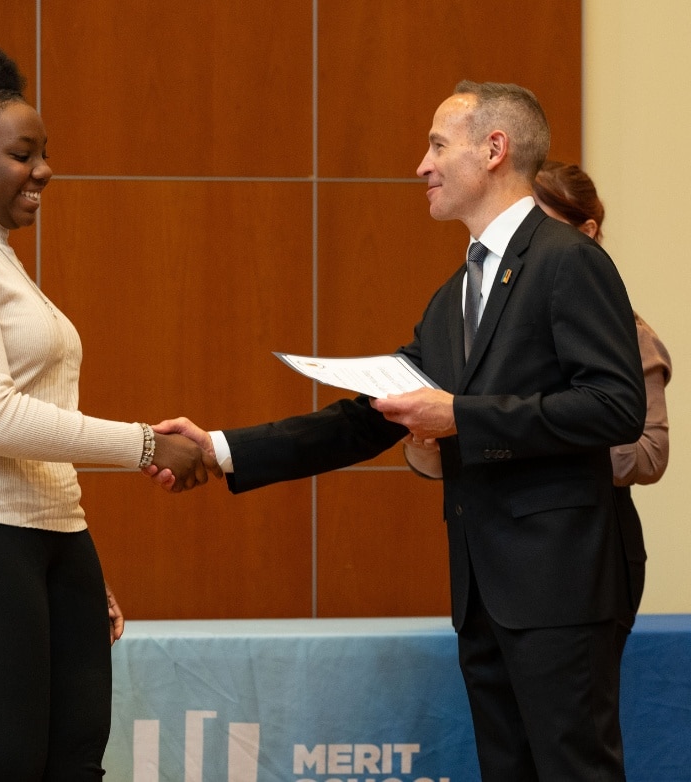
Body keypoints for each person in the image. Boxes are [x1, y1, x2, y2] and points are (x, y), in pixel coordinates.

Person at [150, 82, 647, 780]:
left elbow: (615, 405)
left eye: (438, 144)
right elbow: (366, 418)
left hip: (559, 588)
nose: (421, 164)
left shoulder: (568, 261)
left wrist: (461, 417)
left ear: (495, 150)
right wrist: (222, 449)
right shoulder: (454, 296)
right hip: (483, 594)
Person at [0, 42, 216, 781]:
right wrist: (146, 447)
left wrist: (70, 550)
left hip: (44, 537)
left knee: (73, 766)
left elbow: (37, 415)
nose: (44, 171)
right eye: (23, 154)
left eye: (44, 153)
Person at [405, 159, 672, 619]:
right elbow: (466, 430)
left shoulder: (626, 331)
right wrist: (435, 438)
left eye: (544, 227)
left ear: (585, 233)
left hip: (584, 550)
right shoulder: (469, 311)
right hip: (493, 552)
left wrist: (534, 438)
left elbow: (649, 453)